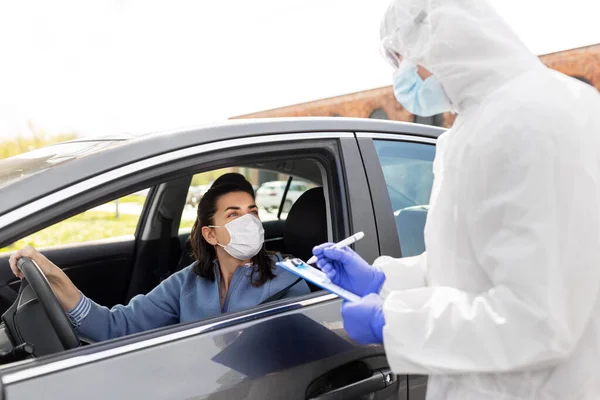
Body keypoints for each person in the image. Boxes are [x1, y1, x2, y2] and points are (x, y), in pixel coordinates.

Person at [312, 0, 600, 398]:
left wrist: (392, 322)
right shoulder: (483, 121)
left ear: (439, 39)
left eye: (402, 59)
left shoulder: (531, 119)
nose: (401, 77)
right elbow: (472, 265)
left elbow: (538, 320)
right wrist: (385, 281)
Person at [9, 173, 310, 342]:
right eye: (234, 214)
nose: (249, 222)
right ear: (210, 234)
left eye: (252, 211)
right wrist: (53, 275)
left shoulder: (289, 280)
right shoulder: (188, 282)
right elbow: (116, 327)